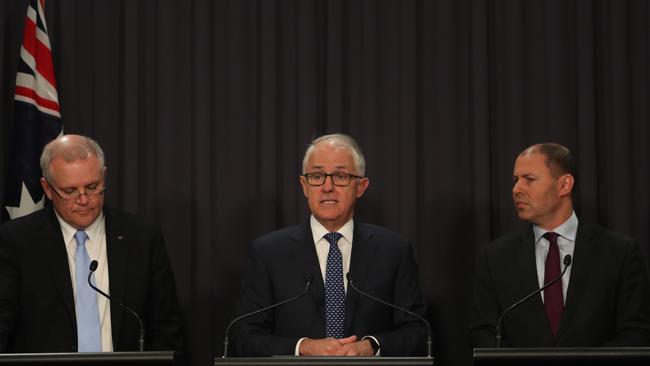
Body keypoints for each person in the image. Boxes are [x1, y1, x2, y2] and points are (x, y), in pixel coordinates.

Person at [230, 133, 428, 356]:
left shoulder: (394, 251)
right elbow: (243, 336)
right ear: (304, 186)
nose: (327, 186)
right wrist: (303, 347)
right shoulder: (268, 253)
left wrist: (371, 346)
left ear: (361, 186)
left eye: (340, 176)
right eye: (317, 176)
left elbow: (418, 332)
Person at [0, 135, 183, 353]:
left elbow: (166, 328)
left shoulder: (142, 238)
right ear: (47, 189)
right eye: (70, 191)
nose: (84, 199)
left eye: (92, 186)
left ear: (104, 177)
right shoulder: (17, 241)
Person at [470, 142, 650, 347]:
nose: (516, 189)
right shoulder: (495, 258)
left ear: (564, 185)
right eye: (515, 180)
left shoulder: (620, 253)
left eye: (529, 179)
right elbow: (483, 335)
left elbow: (636, 335)